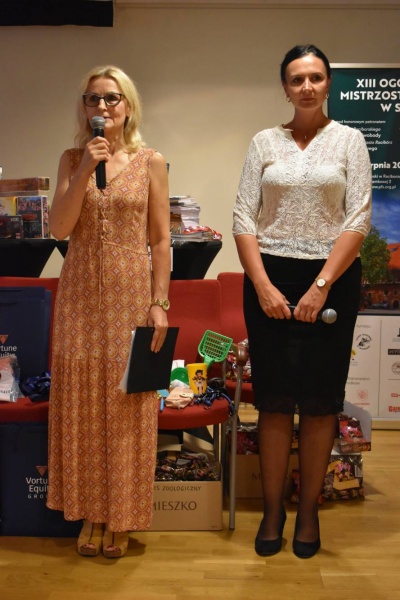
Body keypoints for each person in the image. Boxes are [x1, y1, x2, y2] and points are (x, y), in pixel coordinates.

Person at [233, 44, 371, 558]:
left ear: (328, 83)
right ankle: (273, 510)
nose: (306, 87)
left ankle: (308, 512)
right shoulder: (264, 141)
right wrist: (263, 285)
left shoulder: (351, 140)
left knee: (318, 402)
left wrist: (321, 285)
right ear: (285, 87)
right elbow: (243, 217)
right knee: (272, 401)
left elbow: (358, 217)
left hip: (332, 279)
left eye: (315, 77)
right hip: (269, 278)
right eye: (297, 79)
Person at [47, 65, 171, 558]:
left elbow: (160, 240)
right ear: (84, 108)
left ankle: (121, 514)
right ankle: (91, 512)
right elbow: (59, 228)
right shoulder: (71, 158)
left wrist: (159, 303)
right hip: (78, 296)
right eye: (92, 98)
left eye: (111, 98)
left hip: (130, 295)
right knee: (82, 405)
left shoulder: (151, 161)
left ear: (129, 106)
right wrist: (83, 170)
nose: (101, 107)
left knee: (125, 405)